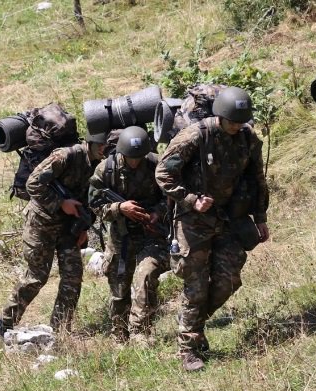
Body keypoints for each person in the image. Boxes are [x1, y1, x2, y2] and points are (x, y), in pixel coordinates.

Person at [156, 87, 270, 371]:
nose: (236, 127)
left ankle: (192, 324)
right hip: (193, 220)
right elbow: (163, 173)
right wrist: (192, 199)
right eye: (232, 121)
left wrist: (261, 216)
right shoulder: (195, 136)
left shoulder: (248, 138)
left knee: (229, 280)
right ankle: (187, 350)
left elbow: (257, 179)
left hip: (230, 218)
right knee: (195, 285)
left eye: (241, 122)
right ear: (220, 115)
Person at [0, 137, 106, 336]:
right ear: (90, 142)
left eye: (108, 145)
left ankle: (60, 330)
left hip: (68, 228)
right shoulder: (65, 156)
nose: (105, 149)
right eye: (101, 144)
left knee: (73, 278)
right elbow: (33, 184)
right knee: (36, 277)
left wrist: (83, 227)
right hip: (41, 224)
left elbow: (90, 198)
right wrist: (61, 203)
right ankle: (4, 323)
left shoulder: (99, 165)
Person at [88, 126, 169, 343]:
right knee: (119, 286)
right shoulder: (106, 169)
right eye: (131, 158)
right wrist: (119, 209)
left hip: (151, 234)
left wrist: (156, 214)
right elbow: (94, 205)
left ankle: (141, 331)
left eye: (139, 157)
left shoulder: (156, 164)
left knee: (146, 276)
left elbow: (170, 196)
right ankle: (119, 334)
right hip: (121, 236)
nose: (135, 162)